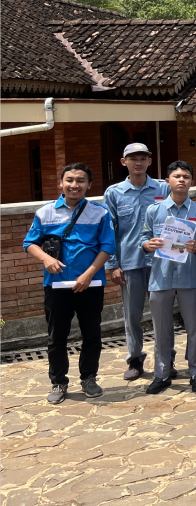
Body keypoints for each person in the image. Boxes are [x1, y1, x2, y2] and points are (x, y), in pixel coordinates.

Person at [24, 163, 116, 404]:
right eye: (70, 180)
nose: (75, 185)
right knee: (57, 337)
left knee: (92, 334)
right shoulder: (45, 213)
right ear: (61, 183)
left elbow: (108, 246)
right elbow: (30, 243)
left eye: (80, 180)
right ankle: (58, 382)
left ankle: (89, 378)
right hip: (56, 286)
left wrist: (89, 274)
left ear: (88, 185)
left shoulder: (100, 212)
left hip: (91, 284)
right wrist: (45, 258)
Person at [140, 161, 196, 395]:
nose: (181, 180)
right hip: (160, 278)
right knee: (162, 329)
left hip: (190, 278)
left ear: (192, 182)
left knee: (195, 329)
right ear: (168, 180)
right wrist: (148, 245)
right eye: (177, 176)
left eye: (186, 177)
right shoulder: (154, 211)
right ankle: (161, 374)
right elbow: (143, 240)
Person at [101, 143, 171, 381]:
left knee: (162, 313)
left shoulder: (163, 187)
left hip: (161, 262)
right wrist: (113, 264)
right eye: (133, 158)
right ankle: (135, 358)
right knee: (132, 315)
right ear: (124, 162)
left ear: (150, 161)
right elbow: (109, 230)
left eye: (143, 158)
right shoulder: (114, 193)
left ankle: (166, 358)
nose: (138, 162)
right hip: (129, 262)